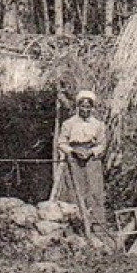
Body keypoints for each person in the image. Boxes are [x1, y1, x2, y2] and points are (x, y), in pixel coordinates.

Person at [56, 90, 109, 235]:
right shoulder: (69, 123)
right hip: (74, 159)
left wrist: (91, 152)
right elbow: (61, 142)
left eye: (88, 107)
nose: (85, 109)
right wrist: (73, 151)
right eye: (82, 106)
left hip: (92, 159)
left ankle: (97, 228)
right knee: (74, 191)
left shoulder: (98, 124)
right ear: (78, 107)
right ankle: (76, 227)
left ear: (92, 108)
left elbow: (102, 144)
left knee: (94, 191)